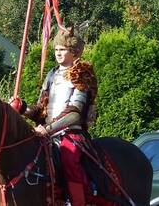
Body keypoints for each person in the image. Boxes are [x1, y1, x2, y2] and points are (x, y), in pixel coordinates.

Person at [14, 27, 97, 206]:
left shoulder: (81, 72)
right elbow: (42, 110)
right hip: (47, 133)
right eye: (56, 50)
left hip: (71, 133)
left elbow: (75, 114)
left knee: (70, 158)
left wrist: (48, 129)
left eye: (62, 50)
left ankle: (79, 202)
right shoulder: (52, 74)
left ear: (73, 51)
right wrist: (23, 108)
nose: (58, 53)